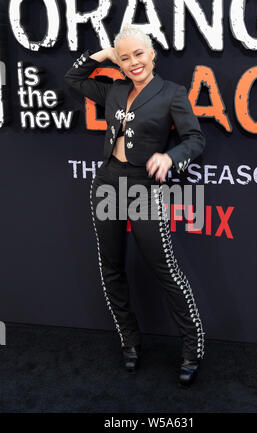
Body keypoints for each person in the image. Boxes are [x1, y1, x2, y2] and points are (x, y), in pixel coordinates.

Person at [64, 24, 206, 388]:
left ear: (153, 53)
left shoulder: (171, 94)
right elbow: (73, 76)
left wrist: (171, 158)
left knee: (164, 269)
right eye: (125, 58)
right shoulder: (114, 89)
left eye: (138, 54)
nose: (133, 62)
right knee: (111, 266)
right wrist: (107, 54)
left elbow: (194, 139)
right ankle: (130, 339)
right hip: (109, 181)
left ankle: (192, 348)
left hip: (143, 186)